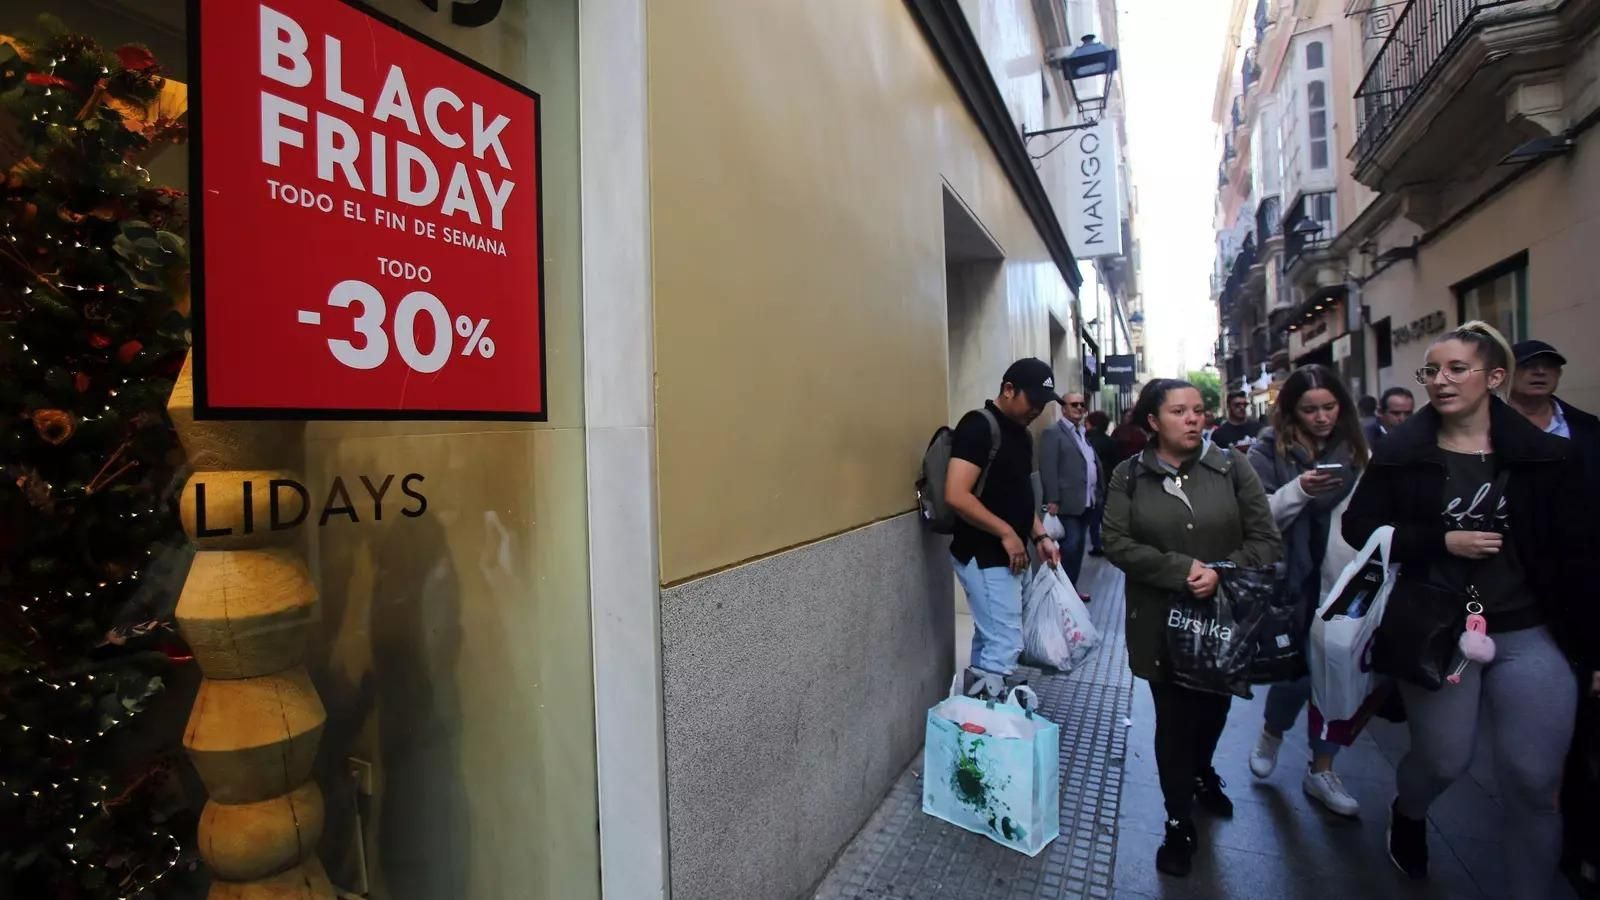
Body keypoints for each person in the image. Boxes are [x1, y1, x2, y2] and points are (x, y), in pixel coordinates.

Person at [1343, 322, 1600, 899]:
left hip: (1532, 630)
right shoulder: (1402, 452)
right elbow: (1358, 526)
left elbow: (1582, 554)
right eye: (1431, 371)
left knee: (1535, 781)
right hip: (1436, 626)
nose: (1440, 380)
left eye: (1456, 369)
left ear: (1495, 377)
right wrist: (1440, 540)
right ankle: (1408, 811)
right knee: (1442, 761)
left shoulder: (1547, 457)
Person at [1103, 379, 1282, 878]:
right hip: (1160, 624)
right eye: (1179, 411)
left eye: (1198, 410)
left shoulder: (1232, 467)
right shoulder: (1128, 476)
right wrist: (1182, 570)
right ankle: (1178, 821)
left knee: (1212, 710)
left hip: (1223, 624)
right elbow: (1115, 542)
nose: (1193, 419)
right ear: (1153, 421)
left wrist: (1220, 571)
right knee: (1175, 722)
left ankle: (1203, 771)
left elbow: (1266, 541)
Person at [1245, 365, 1369, 817]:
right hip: (1290, 581)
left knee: (1336, 678)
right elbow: (1259, 518)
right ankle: (1272, 733)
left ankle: (1322, 768)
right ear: (1292, 412)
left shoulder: (1358, 453)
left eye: (1330, 407)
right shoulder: (1267, 451)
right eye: (1310, 409)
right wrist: (1298, 489)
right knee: (1294, 675)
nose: (1321, 418)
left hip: (1343, 580)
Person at [945, 358, 1064, 700]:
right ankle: (990, 730)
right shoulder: (978, 426)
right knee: (1005, 642)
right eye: (1032, 401)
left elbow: (1018, 495)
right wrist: (1006, 533)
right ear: (1008, 390)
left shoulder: (1022, 436)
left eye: (1043, 404)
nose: (1037, 410)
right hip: (982, 554)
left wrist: (1038, 534)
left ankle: (974, 721)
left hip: (1011, 555)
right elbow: (956, 494)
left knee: (991, 638)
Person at [1508, 339, 1600, 482]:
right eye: (1528, 365)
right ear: (1506, 374)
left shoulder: (1586, 425)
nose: (1540, 371)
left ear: (1559, 374)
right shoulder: (1484, 423)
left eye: (1549, 365)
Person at [1041, 392, 1099, 599]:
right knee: (1069, 549)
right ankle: (1059, 594)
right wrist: (1052, 499)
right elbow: (1048, 468)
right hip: (1066, 503)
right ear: (1063, 408)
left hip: (1086, 501)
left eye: (1082, 404)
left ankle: (1070, 591)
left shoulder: (1082, 433)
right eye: (1074, 404)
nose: (1079, 408)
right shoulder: (1053, 433)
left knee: (1077, 550)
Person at [1084, 411, 1121, 557]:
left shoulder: (1088, 442)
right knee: (1106, 516)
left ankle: (1097, 545)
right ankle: (1109, 543)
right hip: (1109, 481)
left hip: (1095, 484)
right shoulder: (1110, 442)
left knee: (1095, 517)